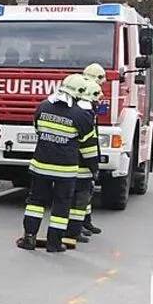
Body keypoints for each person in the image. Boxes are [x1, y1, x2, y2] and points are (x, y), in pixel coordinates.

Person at [16, 73, 96, 253]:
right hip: (65, 170)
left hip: (40, 165)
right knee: (61, 204)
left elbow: (37, 129)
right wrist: (94, 168)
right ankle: (54, 243)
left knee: (35, 202)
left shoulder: (42, 107)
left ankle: (29, 237)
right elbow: (86, 144)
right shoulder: (81, 115)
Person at [66, 76, 103, 247]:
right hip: (81, 166)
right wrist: (94, 165)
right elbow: (88, 143)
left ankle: (81, 225)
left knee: (82, 198)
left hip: (76, 164)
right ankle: (75, 229)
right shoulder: (86, 114)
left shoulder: (79, 110)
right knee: (79, 199)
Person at [79, 62, 107, 236]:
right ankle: (77, 225)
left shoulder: (84, 91)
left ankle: (85, 221)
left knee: (87, 188)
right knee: (80, 192)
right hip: (80, 157)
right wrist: (93, 162)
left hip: (83, 155)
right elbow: (87, 137)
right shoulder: (85, 99)